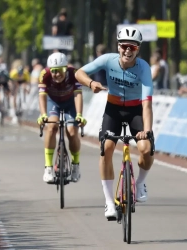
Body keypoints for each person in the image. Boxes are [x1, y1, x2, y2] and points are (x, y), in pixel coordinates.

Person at [75, 27, 154, 219]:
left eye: (132, 47)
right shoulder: (107, 60)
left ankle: (141, 182)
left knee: (146, 148)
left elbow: (147, 105)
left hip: (136, 110)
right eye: (124, 46)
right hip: (114, 110)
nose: (128, 50)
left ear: (138, 50)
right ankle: (109, 203)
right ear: (118, 47)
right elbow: (79, 73)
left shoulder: (144, 68)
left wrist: (147, 131)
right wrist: (91, 83)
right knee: (107, 148)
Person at [37, 52, 87, 183]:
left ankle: (75, 165)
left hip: (71, 103)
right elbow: (42, 96)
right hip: (53, 103)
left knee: (71, 132)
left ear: (66, 68)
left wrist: (79, 115)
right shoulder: (44, 75)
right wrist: (43, 115)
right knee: (51, 127)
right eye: (54, 71)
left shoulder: (74, 74)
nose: (57, 74)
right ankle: (48, 168)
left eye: (60, 71)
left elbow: (78, 95)